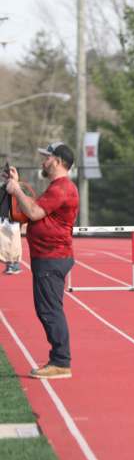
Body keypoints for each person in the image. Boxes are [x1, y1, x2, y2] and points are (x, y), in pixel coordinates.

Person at [3, 142, 79, 379]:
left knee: (50, 311)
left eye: (46, 158)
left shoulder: (61, 188)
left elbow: (34, 213)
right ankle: (59, 359)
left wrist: (16, 190)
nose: (43, 161)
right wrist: (17, 186)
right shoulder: (57, 186)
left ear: (57, 161)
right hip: (48, 256)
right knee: (47, 309)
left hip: (52, 257)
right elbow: (33, 209)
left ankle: (61, 362)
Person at [0, 170, 22, 275]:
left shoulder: (15, 187)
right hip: (5, 217)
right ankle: (10, 265)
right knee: (5, 243)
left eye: (6, 175)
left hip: (13, 218)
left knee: (14, 243)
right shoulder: (3, 187)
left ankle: (14, 265)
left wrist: (13, 180)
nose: (4, 177)